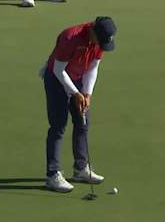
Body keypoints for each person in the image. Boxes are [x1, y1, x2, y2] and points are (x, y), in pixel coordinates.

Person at [39, 17, 116, 193]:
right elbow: (59, 70)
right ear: (93, 32)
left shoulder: (99, 41)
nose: (102, 45)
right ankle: (53, 175)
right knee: (58, 126)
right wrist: (75, 93)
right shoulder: (70, 37)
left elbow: (93, 67)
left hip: (79, 78)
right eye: (101, 41)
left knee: (83, 122)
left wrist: (87, 93)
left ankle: (81, 169)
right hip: (56, 79)